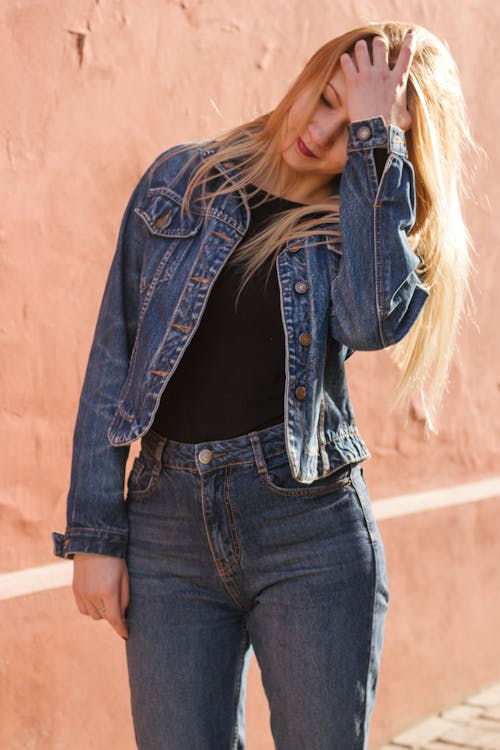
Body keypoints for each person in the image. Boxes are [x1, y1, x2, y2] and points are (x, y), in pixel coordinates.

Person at [53, 19, 476, 750]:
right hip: (168, 531)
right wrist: (97, 533)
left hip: (307, 529)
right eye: (327, 98)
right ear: (310, 72)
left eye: (355, 126)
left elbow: (374, 321)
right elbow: (112, 361)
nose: (321, 131)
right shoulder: (178, 182)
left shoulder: (359, 233)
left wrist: (378, 139)